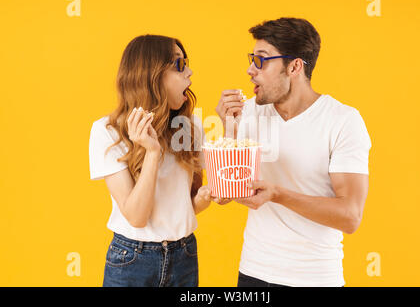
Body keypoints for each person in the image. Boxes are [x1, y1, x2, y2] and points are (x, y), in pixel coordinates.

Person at [215, 17, 372, 287]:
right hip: (254, 273)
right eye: (252, 58)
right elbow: (223, 195)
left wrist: (278, 195)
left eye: (262, 60)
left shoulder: (342, 120)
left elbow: (350, 216)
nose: (250, 70)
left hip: (315, 278)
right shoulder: (249, 112)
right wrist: (229, 130)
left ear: (295, 66)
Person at [89, 34, 221, 287]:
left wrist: (204, 198)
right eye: (179, 65)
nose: (190, 72)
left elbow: (189, 206)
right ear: (151, 75)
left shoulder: (190, 127)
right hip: (131, 261)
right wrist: (152, 153)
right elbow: (137, 217)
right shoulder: (108, 131)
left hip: (184, 255)